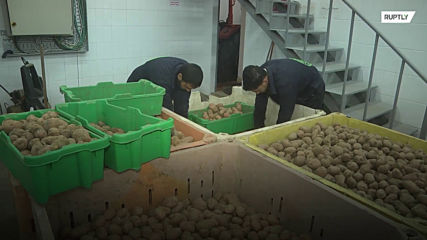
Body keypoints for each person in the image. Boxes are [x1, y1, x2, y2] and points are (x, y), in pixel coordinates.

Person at [242, 58, 325, 129]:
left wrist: (276, 134)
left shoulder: (285, 82)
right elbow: (260, 107)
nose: (257, 93)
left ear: (265, 81)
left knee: (311, 122)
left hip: (313, 87)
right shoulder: (260, 73)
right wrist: (257, 130)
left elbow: (285, 113)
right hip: (294, 80)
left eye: (256, 90)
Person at [127, 57, 203, 118]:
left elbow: (182, 105)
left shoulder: (186, 73)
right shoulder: (163, 78)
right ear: (180, 76)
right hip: (137, 87)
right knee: (143, 113)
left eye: (190, 88)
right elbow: (166, 108)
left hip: (166, 81)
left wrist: (184, 121)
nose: (188, 90)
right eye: (186, 87)